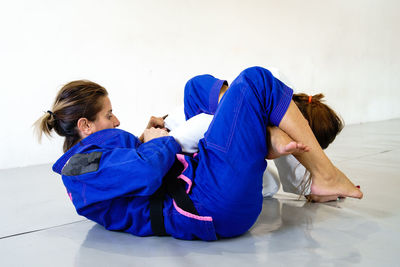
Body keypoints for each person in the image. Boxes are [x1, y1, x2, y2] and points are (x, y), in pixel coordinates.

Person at [35, 67, 363, 241]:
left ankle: (265, 133)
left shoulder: (90, 164)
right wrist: (161, 139)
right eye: (109, 115)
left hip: (205, 185)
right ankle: (321, 173)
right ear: (85, 126)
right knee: (256, 81)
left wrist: (149, 135)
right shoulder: (80, 171)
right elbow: (146, 173)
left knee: (196, 87)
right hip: (213, 203)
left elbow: (126, 175)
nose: (117, 120)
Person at [163, 91, 345, 198]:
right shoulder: (233, 119)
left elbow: (293, 176)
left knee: (270, 183)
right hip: (174, 137)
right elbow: (293, 180)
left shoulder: (277, 112)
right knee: (267, 184)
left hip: (186, 134)